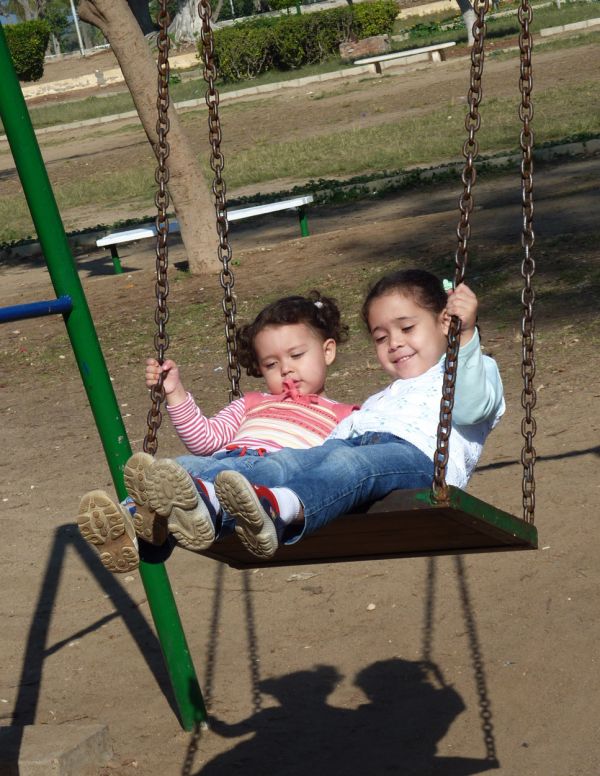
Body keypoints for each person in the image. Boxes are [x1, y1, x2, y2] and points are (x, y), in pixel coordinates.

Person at [139, 269, 505, 560]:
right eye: (380, 337)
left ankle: (278, 510)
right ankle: (196, 503)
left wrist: (467, 334)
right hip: (357, 448)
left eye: (407, 328)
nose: (394, 343)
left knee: (349, 465)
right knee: (287, 463)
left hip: (420, 460)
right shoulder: (383, 397)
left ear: (445, 322)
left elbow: (472, 407)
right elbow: (326, 446)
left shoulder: (472, 367)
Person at [77, 292, 358, 572]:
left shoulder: (347, 416)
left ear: (327, 351)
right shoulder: (252, 403)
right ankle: (131, 523)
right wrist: (174, 391)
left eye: (296, 355)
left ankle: (192, 503)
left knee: (238, 481)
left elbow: (347, 468)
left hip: (275, 470)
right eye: (271, 364)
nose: (286, 369)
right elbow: (205, 440)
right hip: (224, 458)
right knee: (178, 468)